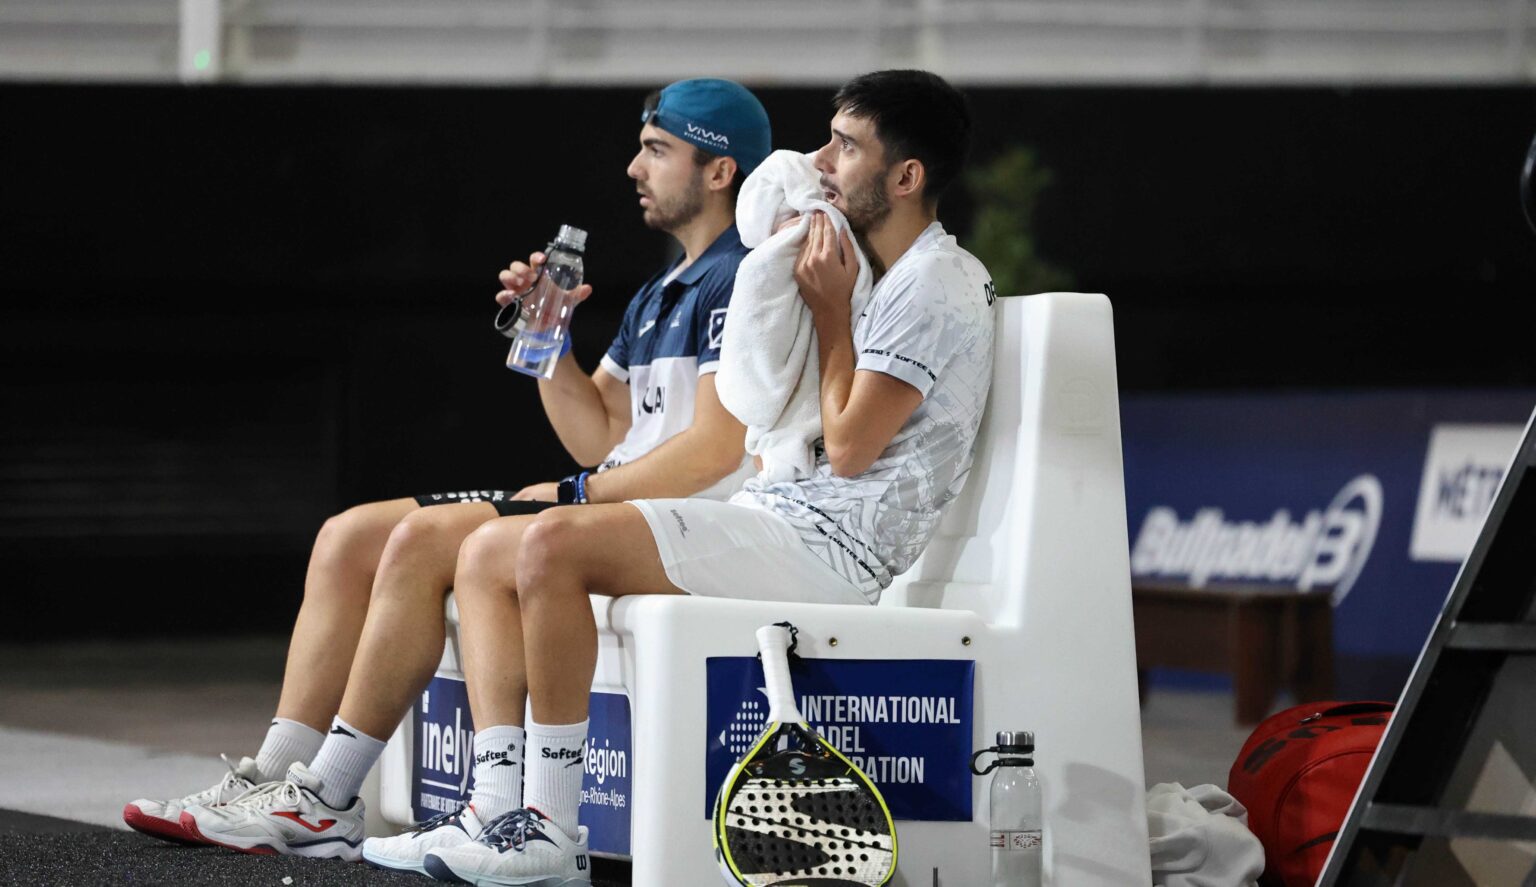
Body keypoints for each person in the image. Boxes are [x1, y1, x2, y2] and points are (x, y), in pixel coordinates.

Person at [123, 78, 773, 866]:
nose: (635, 168)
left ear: (720, 169)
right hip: (605, 496)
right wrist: (548, 338)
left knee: (423, 539)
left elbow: (714, 450)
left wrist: (578, 493)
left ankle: (326, 797)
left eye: (656, 150)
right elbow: (597, 431)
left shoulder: (739, 277)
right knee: (350, 535)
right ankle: (272, 774)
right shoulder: (660, 291)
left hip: (662, 520)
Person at [419, 69, 996, 885]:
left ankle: (548, 826)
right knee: (491, 549)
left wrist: (831, 313)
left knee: (549, 543)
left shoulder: (936, 282)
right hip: (783, 514)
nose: (821, 160)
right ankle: (493, 810)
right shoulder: (863, 261)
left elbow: (851, 447)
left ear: (906, 177)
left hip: (836, 550)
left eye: (846, 146)